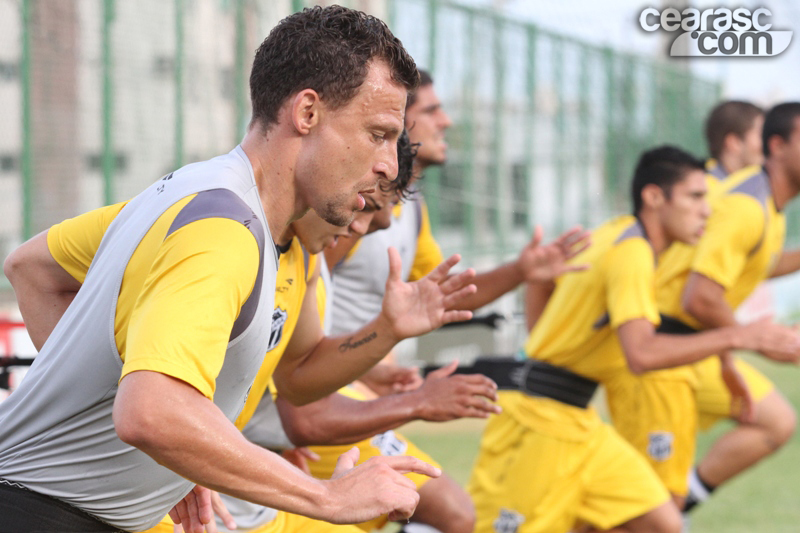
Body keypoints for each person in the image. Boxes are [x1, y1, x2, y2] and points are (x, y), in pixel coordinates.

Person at [0, 7, 475, 532]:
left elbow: (35, 266)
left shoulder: (201, 195)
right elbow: (151, 413)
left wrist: (174, 451)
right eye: (378, 134)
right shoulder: (222, 229)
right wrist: (327, 497)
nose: (390, 163)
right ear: (308, 113)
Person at [467, 146, 800, 533]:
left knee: (663, 523)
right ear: (654, 197)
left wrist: (544, 344)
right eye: (695, 197)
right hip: (538, 421)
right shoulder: (632, 252)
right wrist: (741, 336)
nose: (707, 211)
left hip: (579, 419)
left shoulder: (619, 234)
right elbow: (641, 355)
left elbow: (542, 279)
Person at [625, 102, 800, 513]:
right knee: (641, 508)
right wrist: (754, 339)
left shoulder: (767, 208)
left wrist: (729, 355)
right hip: (661, 348)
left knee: (776, 421)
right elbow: (701, 298)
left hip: (694, 347)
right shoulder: (746, 207)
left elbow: (757, 264)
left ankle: (679, 507)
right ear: (777, 146)